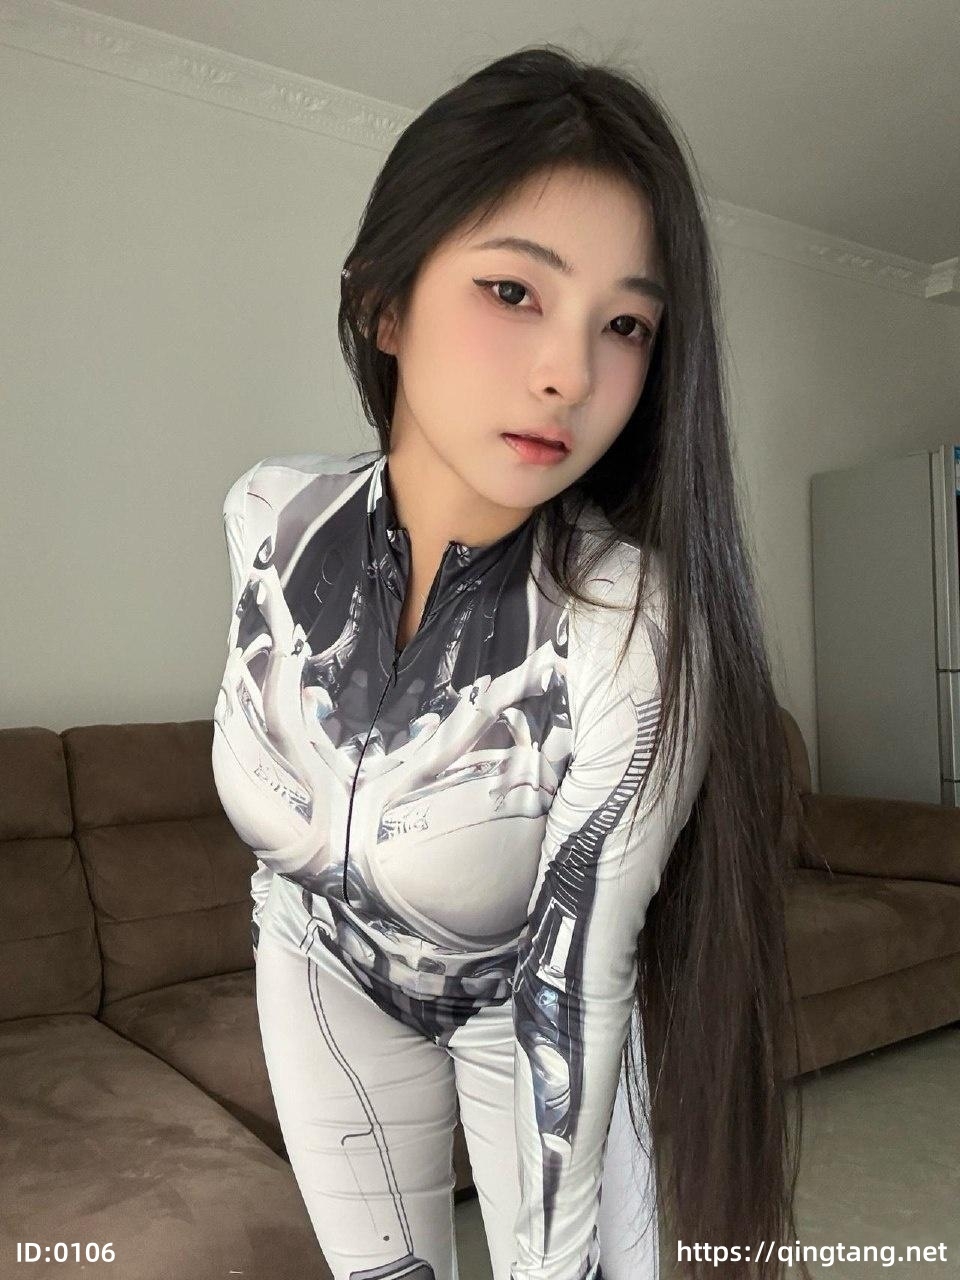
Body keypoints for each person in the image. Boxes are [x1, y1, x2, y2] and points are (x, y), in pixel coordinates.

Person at [212, 45, 813, 1280]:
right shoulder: (270, 516)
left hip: (532, 1016)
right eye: (513, 291)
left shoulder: (629, 625)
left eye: (625, 323)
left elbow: (571, 988)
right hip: (320, 978)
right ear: (384, 305)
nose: (571, 374)